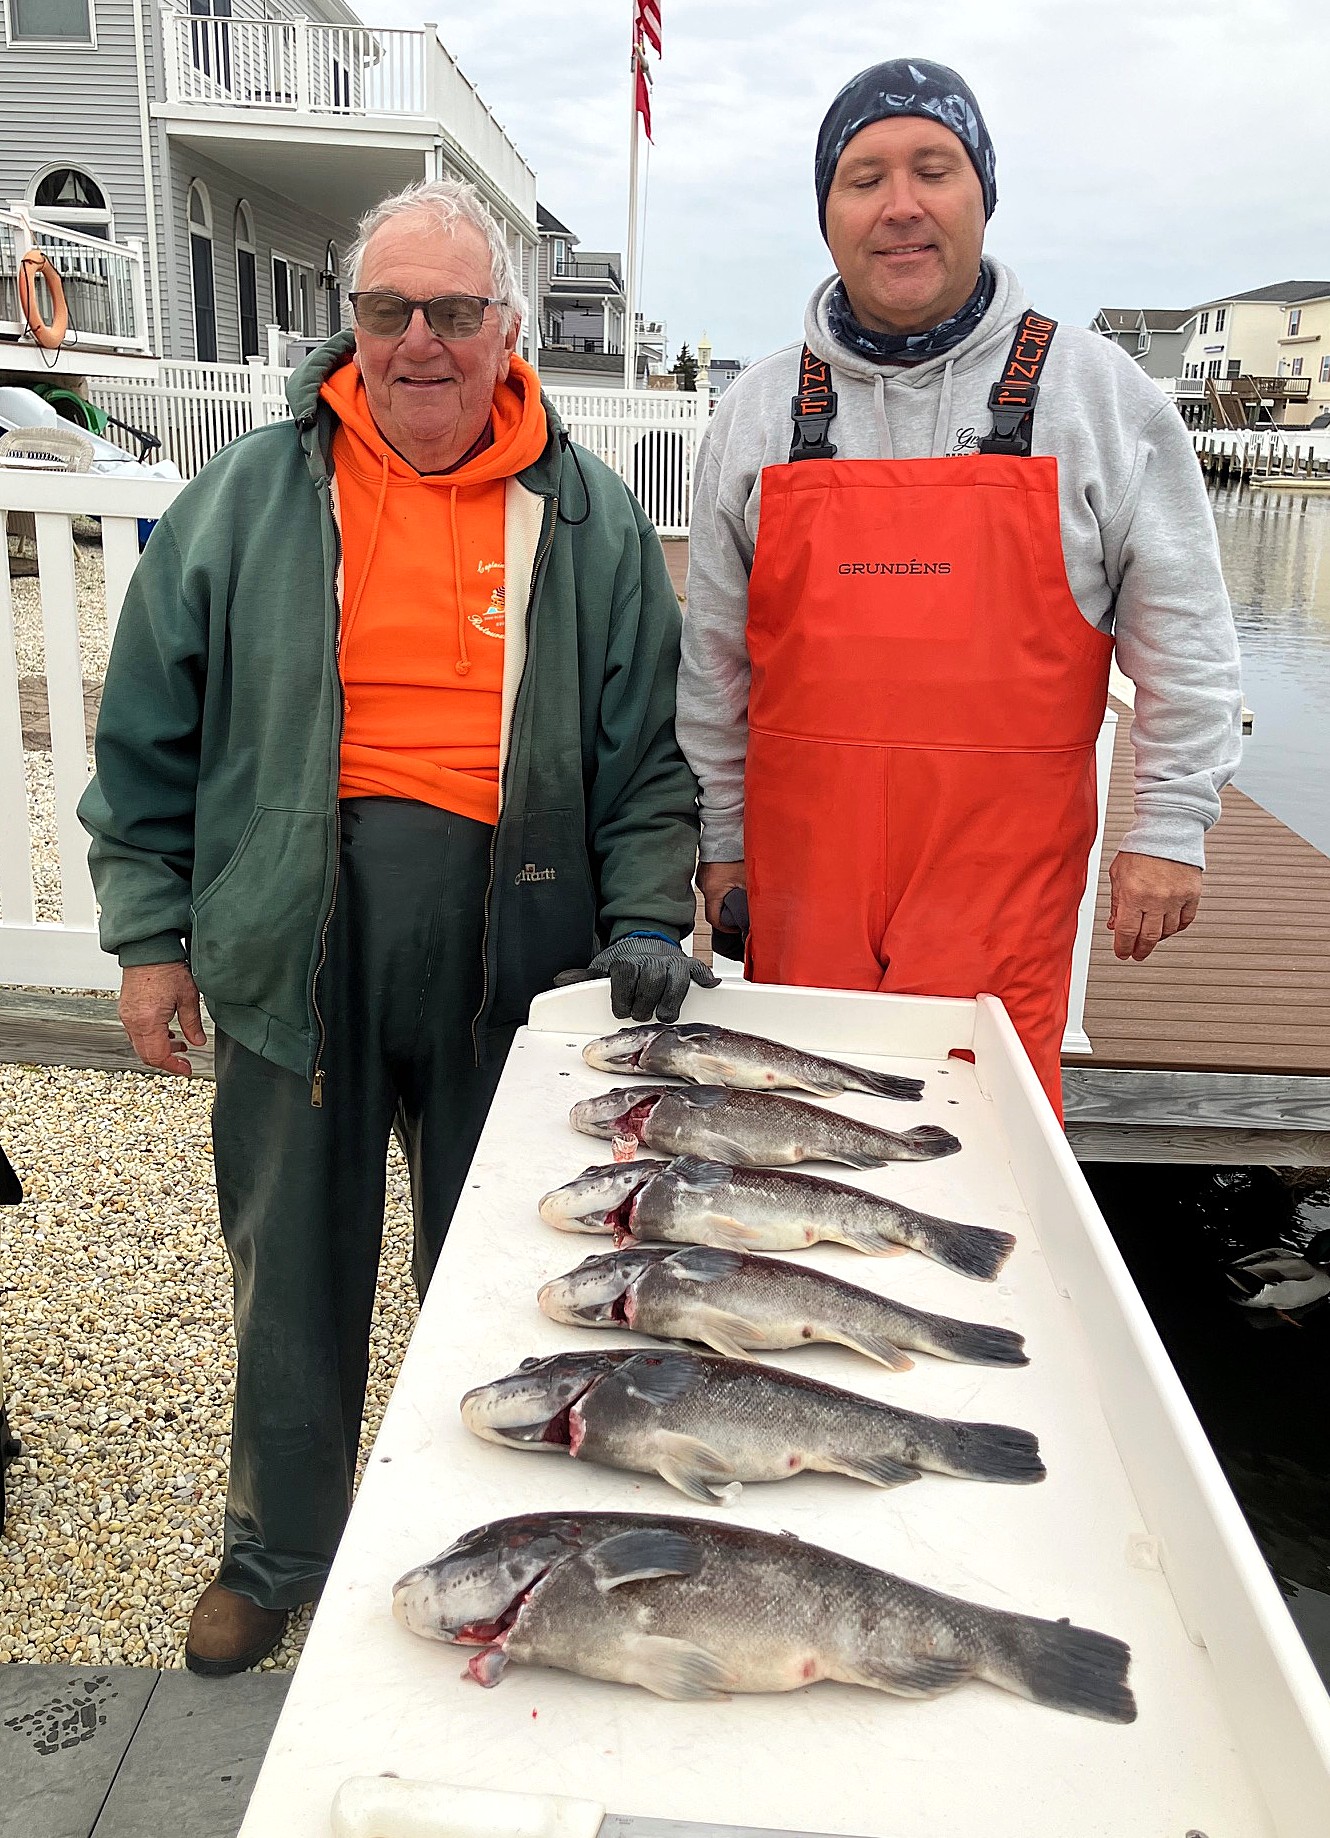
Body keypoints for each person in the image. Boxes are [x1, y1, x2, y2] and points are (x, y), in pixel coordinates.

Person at [78, 178, 713, 1676]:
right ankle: (275, 1549)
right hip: (295, 938)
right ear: (350, 323)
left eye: (452, 310)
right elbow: (147, 729)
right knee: (290, 1268)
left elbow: (645, 757)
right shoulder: (252, 495)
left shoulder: (589, 517)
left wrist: (644, 915)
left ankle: (491, 1538)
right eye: (388, 309)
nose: (420, 339)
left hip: (517, 949)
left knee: (502, 1265)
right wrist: (151, 936)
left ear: (507, 328)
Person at [677, 58, 1242, 1113]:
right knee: (800, 1142)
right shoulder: (756, 411)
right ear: (826, 213)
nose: (901, 205)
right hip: (804, 891)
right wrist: (720, 836)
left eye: (933, 169)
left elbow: (1188, 639)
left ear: (983, 193)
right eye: (864, 178)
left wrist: (1169, 827)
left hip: (1002, 901)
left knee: (985, 1152)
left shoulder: (1096, 396)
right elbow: (712, 663)